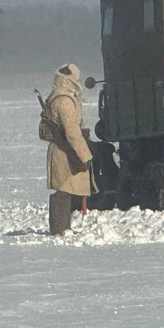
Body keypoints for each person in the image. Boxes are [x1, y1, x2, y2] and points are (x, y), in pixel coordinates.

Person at [44, 63, 95, 235]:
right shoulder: (64, 100)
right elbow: (72, 131)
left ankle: (62, 227)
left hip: (63, 148)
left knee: (67, 188)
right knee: (64, 189)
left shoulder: (59, 97)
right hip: (65, 150)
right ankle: (60, 228)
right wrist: (84, 154)